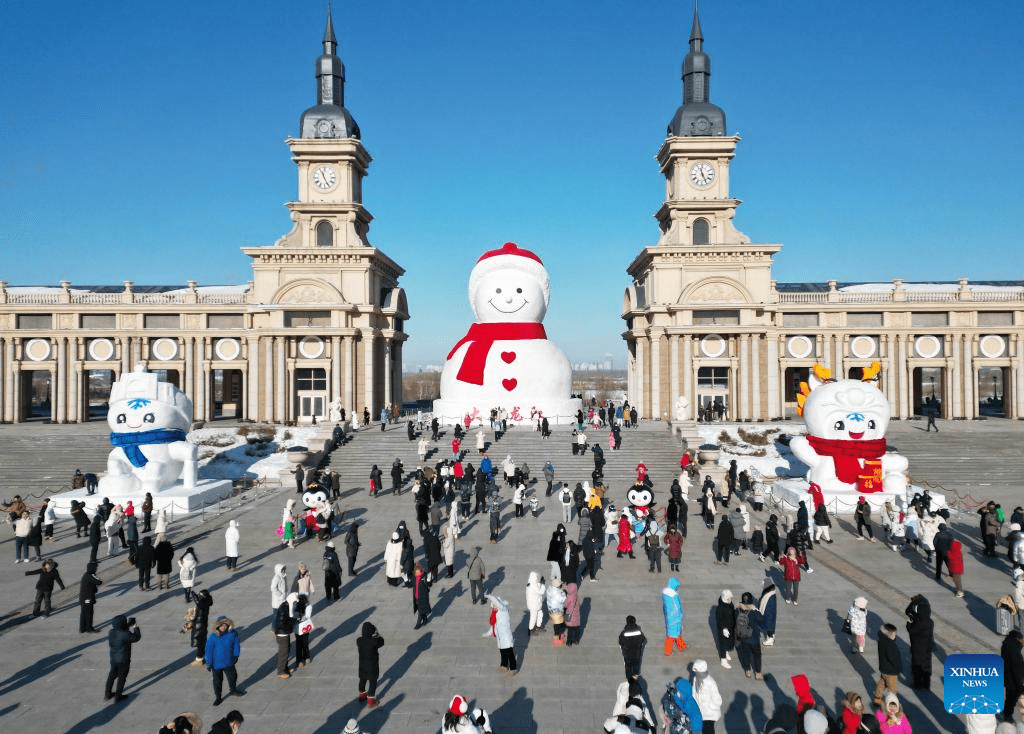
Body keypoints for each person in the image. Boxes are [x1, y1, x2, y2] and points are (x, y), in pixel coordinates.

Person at [204, 615, 245, 706]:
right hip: (216, 665)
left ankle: (233, 690)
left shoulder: (232, 634)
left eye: (225, 625)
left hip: (229, 662)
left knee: (233, 677)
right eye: (221, 625)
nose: (223, 627)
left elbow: (236, 644)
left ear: (228, 625)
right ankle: (218, 697)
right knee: (217, 682)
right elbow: (208, 651)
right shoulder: (213, 637)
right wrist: (209, 663)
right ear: (217, 626)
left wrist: (236, 655)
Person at [104, 614, 141, 702]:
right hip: (123, 659)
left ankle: (108, 694)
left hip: (113, 658)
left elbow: (121, 631)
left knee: (112, 675)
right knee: (122, 677)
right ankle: (118, 696)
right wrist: (135, 626)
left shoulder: (111, 632)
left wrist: (128, 625)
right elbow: (136, 638)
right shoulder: (126, 634)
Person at [905, 594, 934, 689]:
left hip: (917, 647)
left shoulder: (918, 622)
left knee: (917, 665)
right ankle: (926, 684)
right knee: (926, 665)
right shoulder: (930, 622)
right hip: (927, 647)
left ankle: (917, 684)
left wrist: (908, 625)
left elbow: (912, 631)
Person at [734, 591, 765, 679]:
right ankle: (758, 672)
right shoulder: (754, 612)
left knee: (746, 654)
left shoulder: (737, 610)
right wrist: (757, 610)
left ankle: (747, 670)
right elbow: (762, 620)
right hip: (754, 638)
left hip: (743, 637)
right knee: (757, 655)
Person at [484, 595, 517, 673]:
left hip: (506, 636)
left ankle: (513, 668)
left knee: (509, 652)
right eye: (492, 607)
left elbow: (497, 603)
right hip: (500, 637)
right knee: (502, 652)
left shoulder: (503, 611)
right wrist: (488, 633)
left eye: (494, 606)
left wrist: (489, 596)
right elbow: (493, 624)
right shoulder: (496, 612)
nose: (493, 608)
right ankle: (504, 666)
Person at [691, 659, 723, 734]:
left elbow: (718, 700)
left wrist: (710, 707)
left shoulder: (710, 682)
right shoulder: (696, 679)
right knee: (704, 728)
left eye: (697, 671)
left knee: (709, 729)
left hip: (710, 713)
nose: (695, 672)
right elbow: (694, 692)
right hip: (701, 711)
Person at [357, 621, 384, 708]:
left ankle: (362, 695)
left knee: (362, 680)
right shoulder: (374, 641)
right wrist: (377, 634)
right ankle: (371, 701)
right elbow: (382, 642)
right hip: (372, 667)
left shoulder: (359, 640)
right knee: (372, 683)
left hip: (362, 666)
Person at [874, 623, 902, 706]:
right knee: (892, 689)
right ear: (890, 635)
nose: (895, 636)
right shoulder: (890, 645)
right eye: (894, 634)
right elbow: (893, 658)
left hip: (883, 668)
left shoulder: (881, 640)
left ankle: (877, 699)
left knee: (881, 684)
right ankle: (894, 705)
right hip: (891, 671)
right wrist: (898, 666)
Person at [661, 577, 687, 656]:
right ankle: (668, 650)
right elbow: (678, 606)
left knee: (675, 631)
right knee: (672, 634)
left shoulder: (664, 593)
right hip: (675, 616)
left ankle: (682, 646)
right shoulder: (674, 595)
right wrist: (680, 614)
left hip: (668, 615)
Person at [1003, 631, 1024, 724]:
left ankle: (1007, 714)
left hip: (1008, 678)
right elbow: (1017, 667)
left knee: (1010, 698)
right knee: (1012, 699)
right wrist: (1020, 681)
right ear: (1018, 639)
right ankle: (1008, 716)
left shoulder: (1007, 644)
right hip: (1015, 680)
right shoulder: (1014, 650)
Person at [273, 593, 295, 679]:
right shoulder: (284, 609)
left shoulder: (285, 606)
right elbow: (282, 623)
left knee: (287, 650)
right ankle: (281, 671)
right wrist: (292, 624)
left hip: (284, 633)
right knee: (283, 653)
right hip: (282, 634)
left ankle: (285, 668)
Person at [190, 589, 214, 667]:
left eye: (200, 595)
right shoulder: (206, 601)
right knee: (202, 641)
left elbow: (197, 602)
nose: (199, 596)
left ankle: (199, 659)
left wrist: (193, 594)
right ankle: (201, 657)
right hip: (201, 624)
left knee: (199, 642)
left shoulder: (202, 603)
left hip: (199, 626)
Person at [618, 615, 646, 679]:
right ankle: (635, 676)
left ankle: (628, 677)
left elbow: (620, 641)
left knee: (628, 665)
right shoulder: (639, 632)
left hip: (627, 653)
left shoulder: (624, 632)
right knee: (636, 663)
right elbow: (643, 639)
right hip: (636, 652)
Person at [79, 561, 102, 633]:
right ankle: (89, 628)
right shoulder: (90, 575)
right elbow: (99, 582)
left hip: (83, 598)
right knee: (89, 613)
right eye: (95, 568)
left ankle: (82, 628)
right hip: (88, 598)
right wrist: (95, 575)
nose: (96, 569)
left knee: (83, 613)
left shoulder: (85, 575)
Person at [292, 593, 313, 669]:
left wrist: (299, 616)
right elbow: (293, 614)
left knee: (305, 642)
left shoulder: (308, 606)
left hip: (304, 627)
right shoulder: (296, 605)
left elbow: (307, 616)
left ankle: (306, 657)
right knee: (299, 643)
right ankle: (299, 660)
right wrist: (299, 615)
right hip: (298, 628)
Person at [716, 589, 735, 668]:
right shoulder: (720, 608)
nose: (730, 599)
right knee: (723, 644)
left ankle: (727, 652)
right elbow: (719, 620)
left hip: (731, 627)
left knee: (729, 641)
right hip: (724, 629)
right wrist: (724, 629)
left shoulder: (730, 603)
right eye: (729, 598)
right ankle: (723, 660)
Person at [547, 578, 567, 646]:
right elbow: (563, 600)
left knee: (557, 623)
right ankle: (556, 639)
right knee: (557, 625)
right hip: (557, 611)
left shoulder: (549, 589)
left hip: (551, 609)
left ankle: (558, 634)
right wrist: (564, 593)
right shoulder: (559, 593)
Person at [413, 563, 432, 629]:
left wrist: (429, 580)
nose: (417, 573)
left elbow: (428, 586)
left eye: (418, 571)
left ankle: (418, 624)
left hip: (423, 597)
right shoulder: (416, 577)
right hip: (417, 597)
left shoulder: (424, 577)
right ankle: (425, 619)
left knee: (420, 611)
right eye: (416, 571)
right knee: (421, 609)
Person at [564, 582, 582, 647]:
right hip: (576, 615)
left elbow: (565, 604)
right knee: (577, 629)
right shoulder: (577, 596)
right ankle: (577, 640)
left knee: (570, 631)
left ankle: (569, 642)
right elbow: (579, 603)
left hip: (570, 616)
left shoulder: (569, 596)